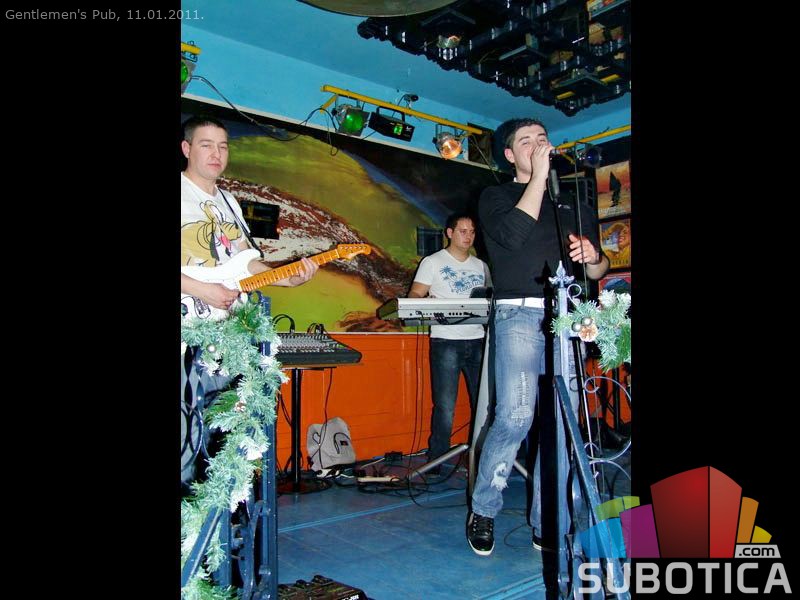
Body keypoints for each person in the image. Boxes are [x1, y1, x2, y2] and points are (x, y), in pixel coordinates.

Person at [466, 118, 609, 556]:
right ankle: (484, 509)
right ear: (510, 155)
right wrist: (539, 179)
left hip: (566, 318)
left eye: (542, 139)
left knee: (562, 423)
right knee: (515, 415)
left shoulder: (571, 203)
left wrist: (594, 256)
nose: (537, 146)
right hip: (518, 314)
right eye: (526, 142)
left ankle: (548, 518)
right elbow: (511, 236)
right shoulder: (496, 197)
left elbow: (598, 270)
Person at [180, 115, 318, 486]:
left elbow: (246, 263)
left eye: (223, 146)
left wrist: (288, 277)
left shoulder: (229, 202)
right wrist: (202, 289)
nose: (216, 153)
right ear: (186, 148)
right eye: (206, 145)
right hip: (189, 332)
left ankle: (224, 518)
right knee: (187, 437)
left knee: (226, 438)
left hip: (231, 337)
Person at [408, 213, 492, 474]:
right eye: (463, 231)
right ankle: (437, 460)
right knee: (445, 406)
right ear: (449, 233)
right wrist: (425, 303)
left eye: (472, 232)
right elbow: (415, 294)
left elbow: (490, 299)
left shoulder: (481, 266)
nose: (468, 236)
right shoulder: (432, 262)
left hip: (478, 341)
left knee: (484, 403)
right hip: (446, 341)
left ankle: (482, 456)